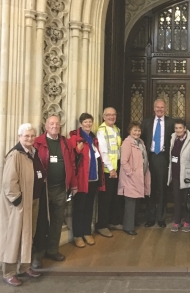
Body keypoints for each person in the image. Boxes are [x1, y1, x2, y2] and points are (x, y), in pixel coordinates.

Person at [0, 124, 45, 287]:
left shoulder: (33, 152)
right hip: (18, 205)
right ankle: (9, 272)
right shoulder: (15, 155)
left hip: (32, 200)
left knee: (27, 236)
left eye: (32, 136)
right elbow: (8, 182)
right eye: (26, 136)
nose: (30, 138)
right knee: (13, 238)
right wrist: (17, 200)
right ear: (19, 137)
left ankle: (24, 267)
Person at [33, 116, 77, 267]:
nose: (55, 126)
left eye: (57, 124)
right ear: (46, 126)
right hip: (44, 189)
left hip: (60, 188)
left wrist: (73, 184)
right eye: (51, 124)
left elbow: (71, 163)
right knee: (40, 222)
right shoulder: (37, 142)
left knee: (57, 221)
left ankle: (52, 250)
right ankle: (37, 254)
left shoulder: (65, 142)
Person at [68, 113, 105, 248]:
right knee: (79, 208)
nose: (88, 124)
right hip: (81, 179)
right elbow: (71, 157)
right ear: (81, 123)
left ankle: (87, 232)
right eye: (85, 122)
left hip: (93, 179)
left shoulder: (93, 138)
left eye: (90, 122)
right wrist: (77, 151)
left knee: (89, 207)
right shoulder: (75, 138)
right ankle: (78, 235)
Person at [141, 99, 174, 227]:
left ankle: (161, 218)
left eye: (162, 107)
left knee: (161, 188)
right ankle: (150, 217)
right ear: (154, 108)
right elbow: (142, 139)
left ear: (165, 108)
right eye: (157, 107)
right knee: (150, 188)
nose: (160, 109)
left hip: (162, 157)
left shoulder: (170, 122)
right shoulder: (146, 122)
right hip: (149, 157)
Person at [118, 121, 151, 235]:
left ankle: (133, 222)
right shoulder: (127, 143)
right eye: (135, 130)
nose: (137, 132)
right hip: (130, 177)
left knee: (136, 200)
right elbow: (124, 161)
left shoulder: (140, 142)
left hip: (139, 176)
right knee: (130, 202)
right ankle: (128, 227)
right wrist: (131, 173)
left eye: (139, 130)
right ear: (130, 131)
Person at [167, 119, 190, 232]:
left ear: (185, 128)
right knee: (177, 199)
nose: (178, 130)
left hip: (186, 175)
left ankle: (187, 221)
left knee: (187, 199)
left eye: (180, 128)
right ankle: (176, 221)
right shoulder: (173, 138)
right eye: (176, 128)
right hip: (175, 174)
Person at [96, 107, 122, 238]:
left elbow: (117, 149)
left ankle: (113, 221)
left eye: (114, 114)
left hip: (116, 169)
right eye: (109, 115)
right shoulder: (101, 131)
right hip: (107, 170)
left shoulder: (116, 129)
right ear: (103, 116)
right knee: (105, 199)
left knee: (114, 197)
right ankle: (102, 225)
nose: (112, 117)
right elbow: (103, 152)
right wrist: (111, 168)